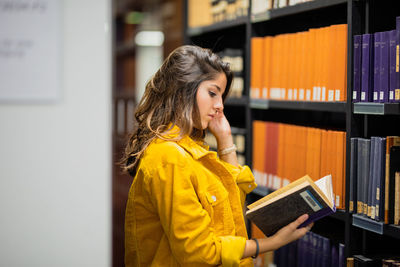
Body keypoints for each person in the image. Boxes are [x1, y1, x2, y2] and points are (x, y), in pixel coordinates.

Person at [122, 45, 313, 267]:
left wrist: (225, 140)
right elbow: (199, 253)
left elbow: (232, 211)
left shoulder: (191, 148)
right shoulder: (169, 157)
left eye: (221, 96)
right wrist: (270, 243)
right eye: (212, 93)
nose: (220, 106)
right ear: (183, 88)